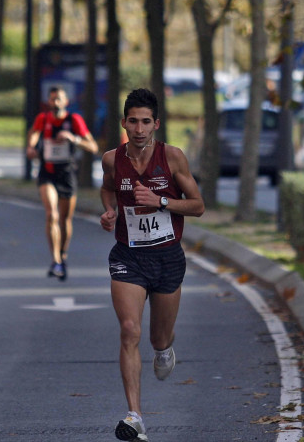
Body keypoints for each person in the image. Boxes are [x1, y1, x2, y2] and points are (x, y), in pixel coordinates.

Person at [99, 88, 204, 441]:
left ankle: (164, 348)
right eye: (133, 121)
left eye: (146, 122)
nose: (140, 129)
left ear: (156, 124)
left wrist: (161, 201)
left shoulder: (172, 158)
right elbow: (106, 189)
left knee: (159, 338)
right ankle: (134, 416)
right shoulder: (112, 159)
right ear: (124, 123)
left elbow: (198, 205)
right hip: (129, 255)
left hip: (167, 256)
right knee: (129, 330)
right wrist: (109, 210)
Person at [25, 86, 99, 281]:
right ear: (48, 102)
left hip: (66, 173)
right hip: (47, 173)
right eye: (52, 99)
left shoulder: (73, 120)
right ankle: (55, 259)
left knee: (65, 219)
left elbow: (93, 146)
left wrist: (73, 138)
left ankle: (63, 254)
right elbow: (34, 133)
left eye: (59, 99)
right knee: (52, 214)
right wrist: (31, 147)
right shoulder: (44, 119)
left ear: (66, 102)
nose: (55, 103)